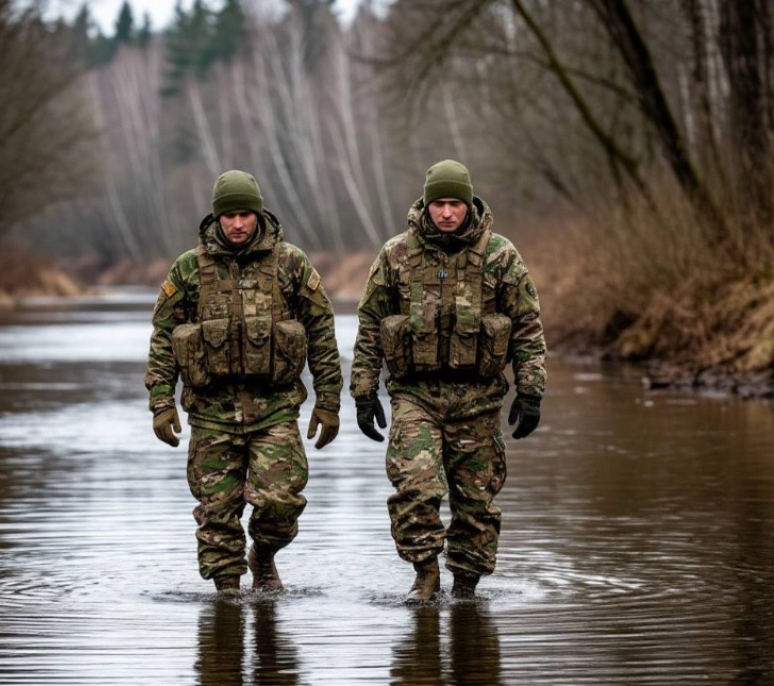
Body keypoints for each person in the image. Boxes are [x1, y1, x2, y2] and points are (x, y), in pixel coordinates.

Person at [351, 160, 546, 602]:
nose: (446, 213)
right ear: (426, 203)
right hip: (414, 396)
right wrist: (363, 391)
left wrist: (531, 389)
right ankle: (425, 574)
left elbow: (527, 327)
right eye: (438, 203)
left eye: (454, 203)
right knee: (416, 488)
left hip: (479, 400)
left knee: (476, 503)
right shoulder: (396, 255)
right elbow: (370, 326)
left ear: (468, 204)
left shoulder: (500, 255)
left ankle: (465, 589)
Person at [146, 170, 343, 598]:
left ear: (259, 215)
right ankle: (228, 596)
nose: (238, 224)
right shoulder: (188, 269)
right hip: (211, 412)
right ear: (216, 218)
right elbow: (164, 337)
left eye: (245, 215)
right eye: (229, 215)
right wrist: (161, 402)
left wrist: (329, 401)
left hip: (273, 408)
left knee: (280, 502)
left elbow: (321, 333)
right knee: (216, 513)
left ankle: (265, 555)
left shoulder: (291, 263)